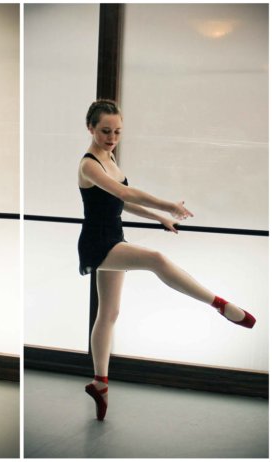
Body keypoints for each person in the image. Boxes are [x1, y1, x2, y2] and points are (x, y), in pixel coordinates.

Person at [78, 99, 256, 421]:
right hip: (97, 243)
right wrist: (167, 205)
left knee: (109, 313)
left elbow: (121, 203)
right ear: (90, 128)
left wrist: (160, 218)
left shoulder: (110, 158)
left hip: (114, 237)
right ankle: (220, 304)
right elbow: (126, 194)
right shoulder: (89, 165)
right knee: (157, 259)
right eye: (105, 131)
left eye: (117, 131)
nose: (112, 137)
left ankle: (100, 383)